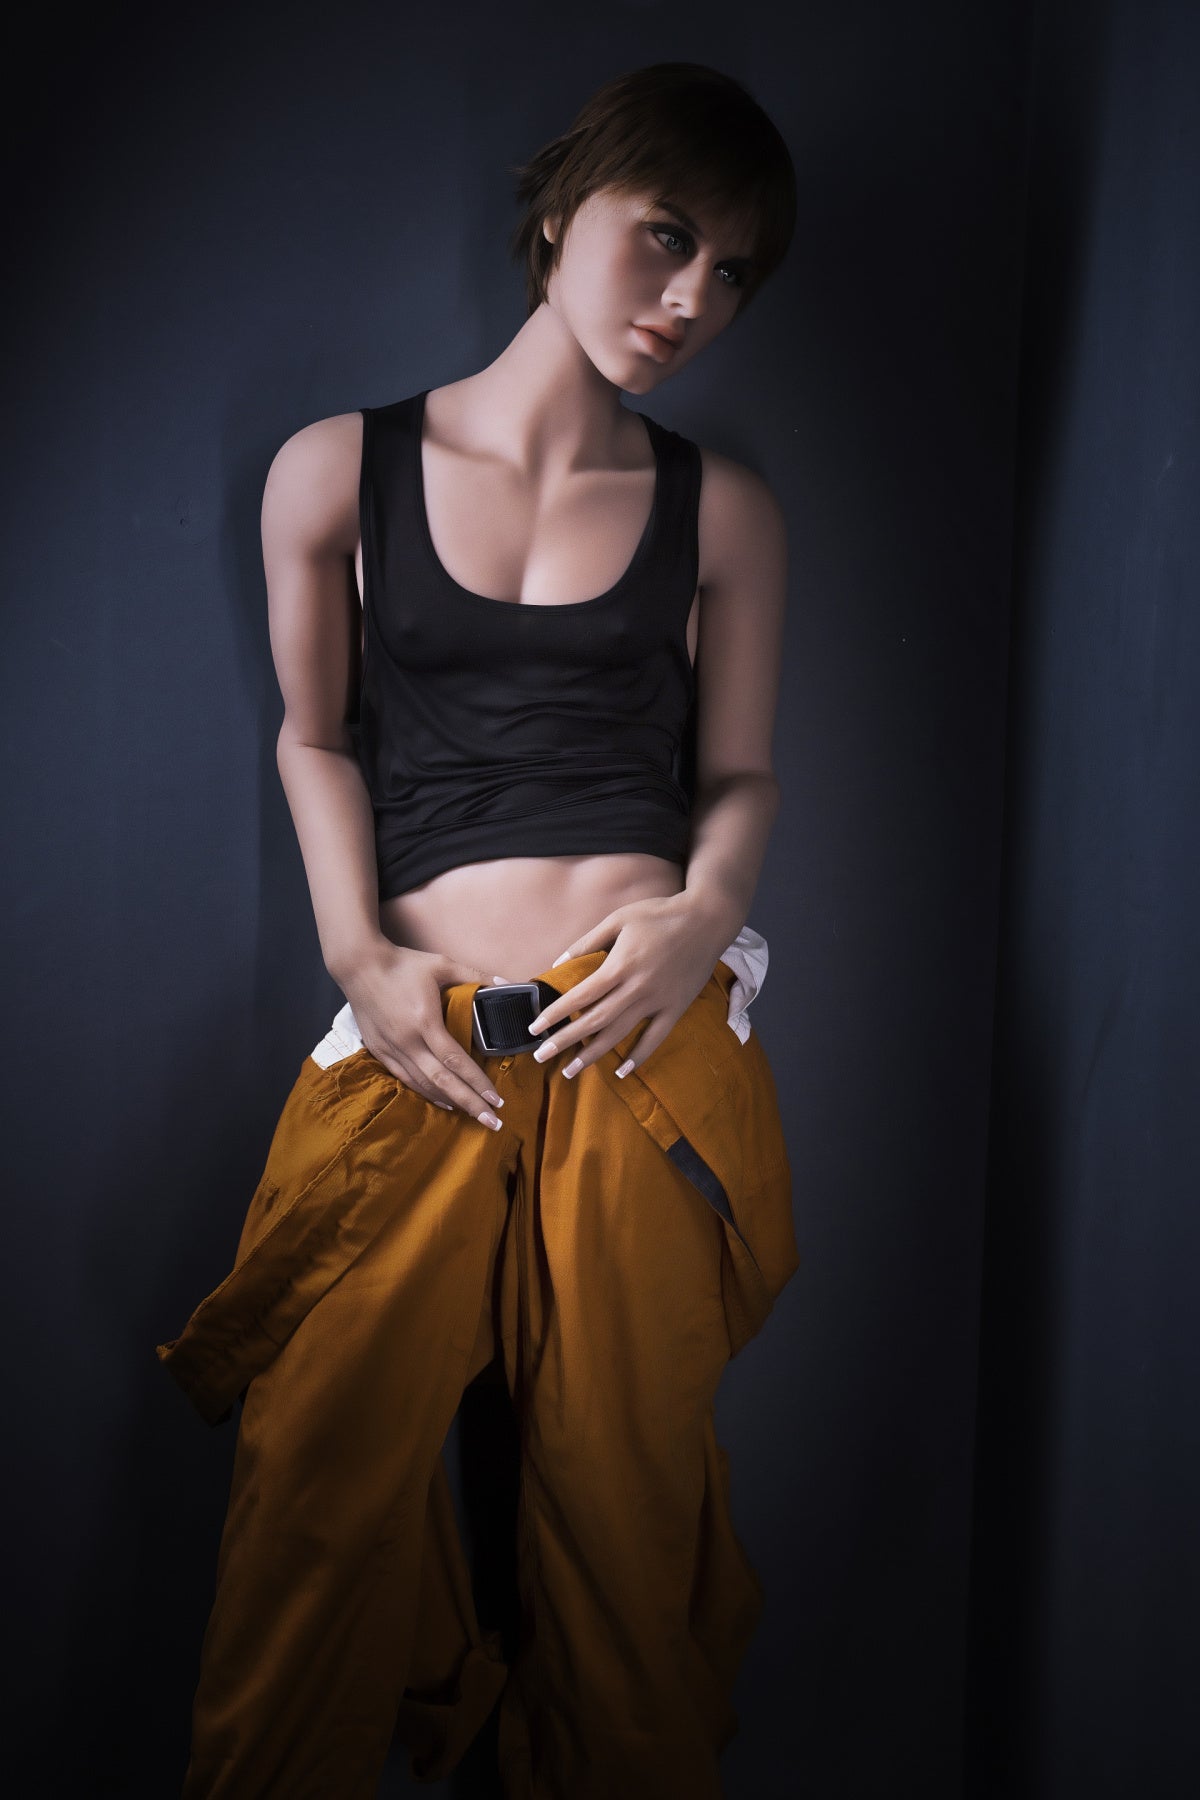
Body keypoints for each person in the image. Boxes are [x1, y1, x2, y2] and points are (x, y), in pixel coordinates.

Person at [156, 60, 801, 1800]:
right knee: (312, 1512)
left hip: (641, 1046)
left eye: (732, 270)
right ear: (563, 208)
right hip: (419, 1043)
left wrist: (709, 912)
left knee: (619, 1534)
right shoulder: (333, 472)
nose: (690, 297)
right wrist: (360, 960)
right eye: (665, 235)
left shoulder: (725, 513)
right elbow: (312, 738)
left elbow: (740, 774)